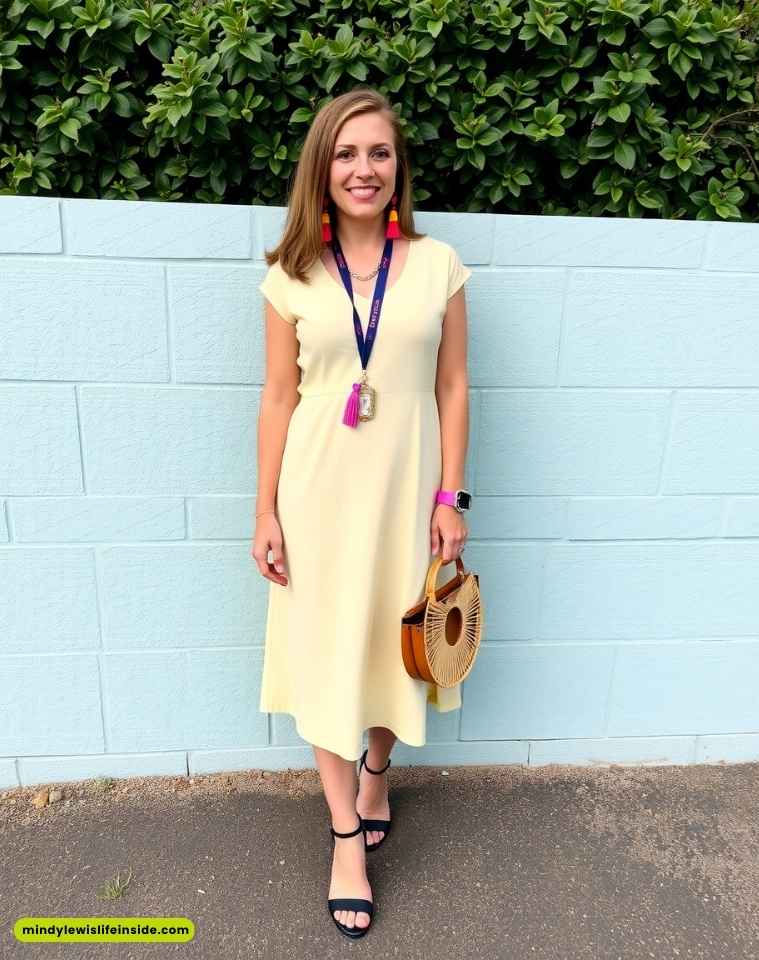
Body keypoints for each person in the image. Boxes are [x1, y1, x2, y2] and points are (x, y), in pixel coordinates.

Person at [251, 86, 473, 939]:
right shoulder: (291, 277)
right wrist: (264, 509)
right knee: (324, 654)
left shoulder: (439, 264)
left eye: (378, 153)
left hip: (408, 496)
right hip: (316, 499)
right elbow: (279, 397)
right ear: (322, 168)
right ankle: (347, 838)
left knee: (397, 647)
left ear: (398, 168)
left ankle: (378, 769)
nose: (363, 169)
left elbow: (451, 386)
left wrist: (452, 495)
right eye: (346, 154)